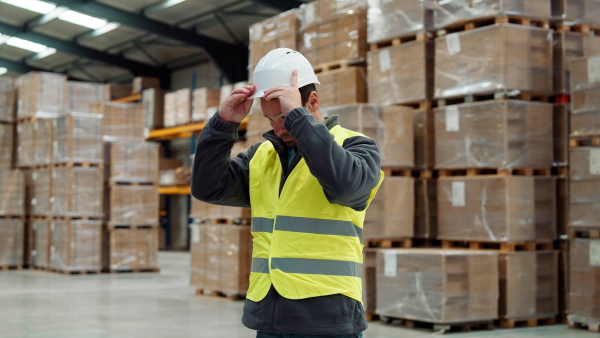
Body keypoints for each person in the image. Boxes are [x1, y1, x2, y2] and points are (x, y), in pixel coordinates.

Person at [191, 48, 384, 338]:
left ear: (313, 100)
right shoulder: (262, 156)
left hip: (327, 314)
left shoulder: (356, 147)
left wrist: (299, 119)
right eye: (271, 120)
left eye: (283, 116)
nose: (279, 128)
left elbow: (346, 187)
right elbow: (208, 187)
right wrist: (223, 126)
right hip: (269, 314)